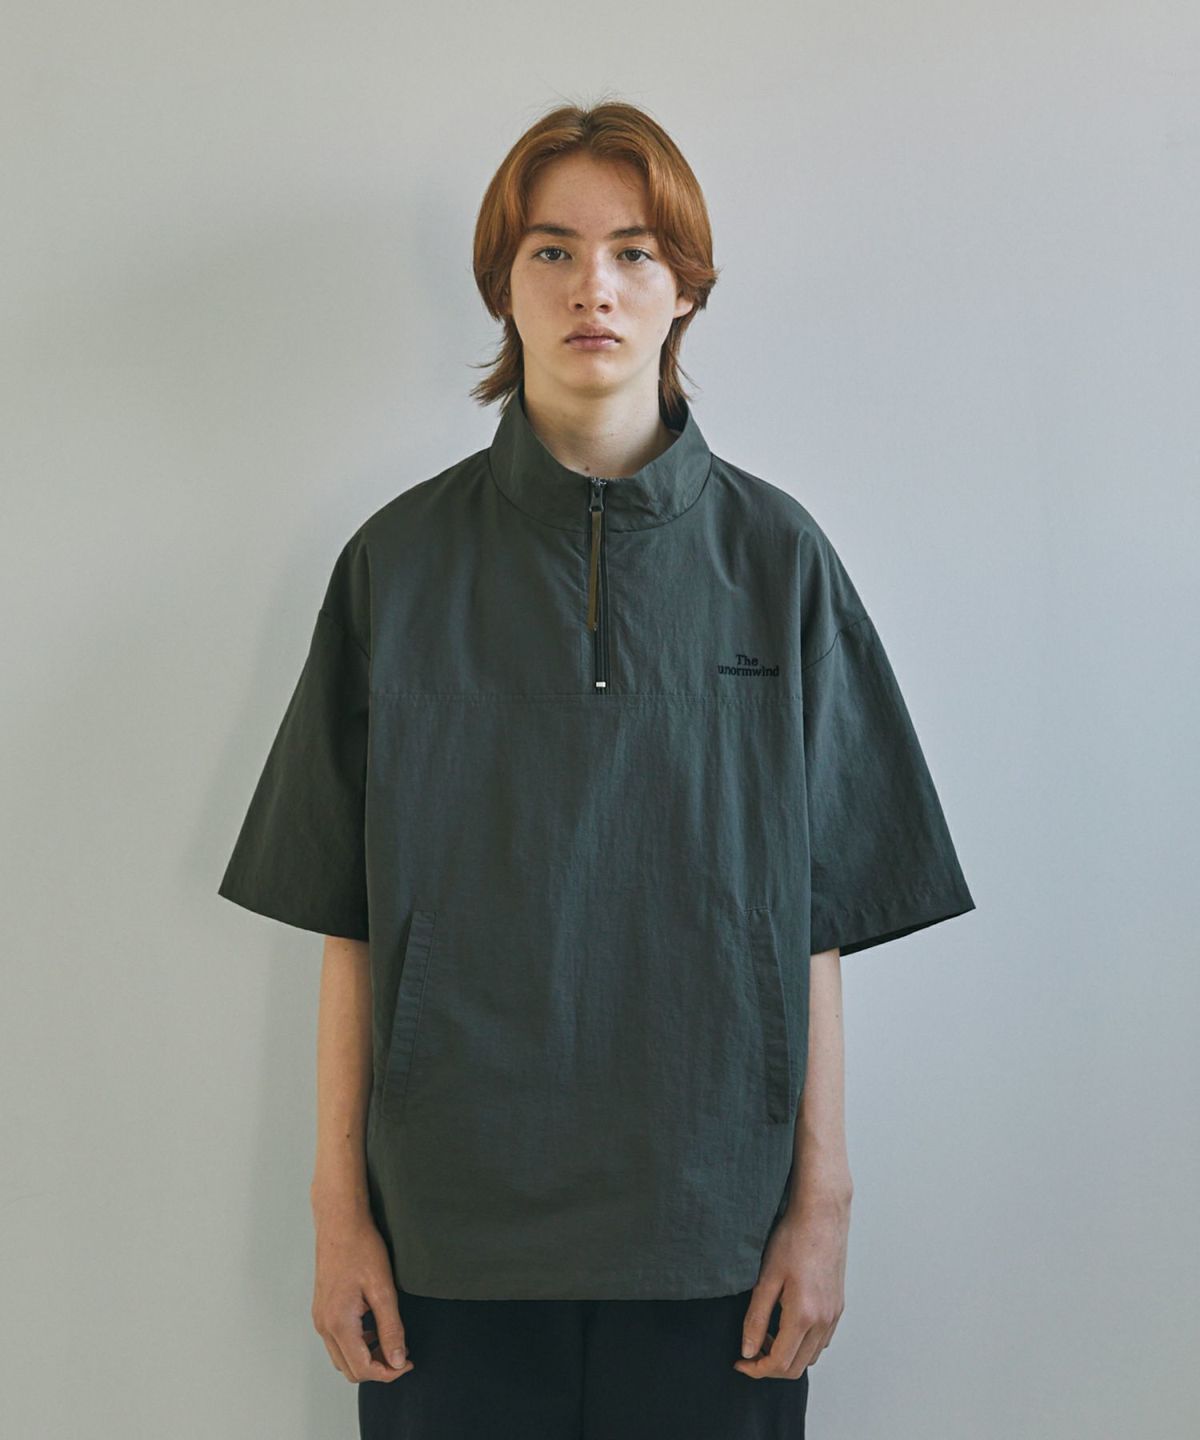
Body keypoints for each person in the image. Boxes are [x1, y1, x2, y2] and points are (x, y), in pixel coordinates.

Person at [218, 99, 976, 1439]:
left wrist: (824, 1204)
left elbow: (818, 919)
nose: (595, 288)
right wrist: (340, 1216)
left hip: (716, 1239)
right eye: (553, 252)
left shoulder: (778, 563)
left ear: (686, 290)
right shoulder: (398, 567)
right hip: (448, 1243)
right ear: (501, 286)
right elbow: (348, 917)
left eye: (634, 251)